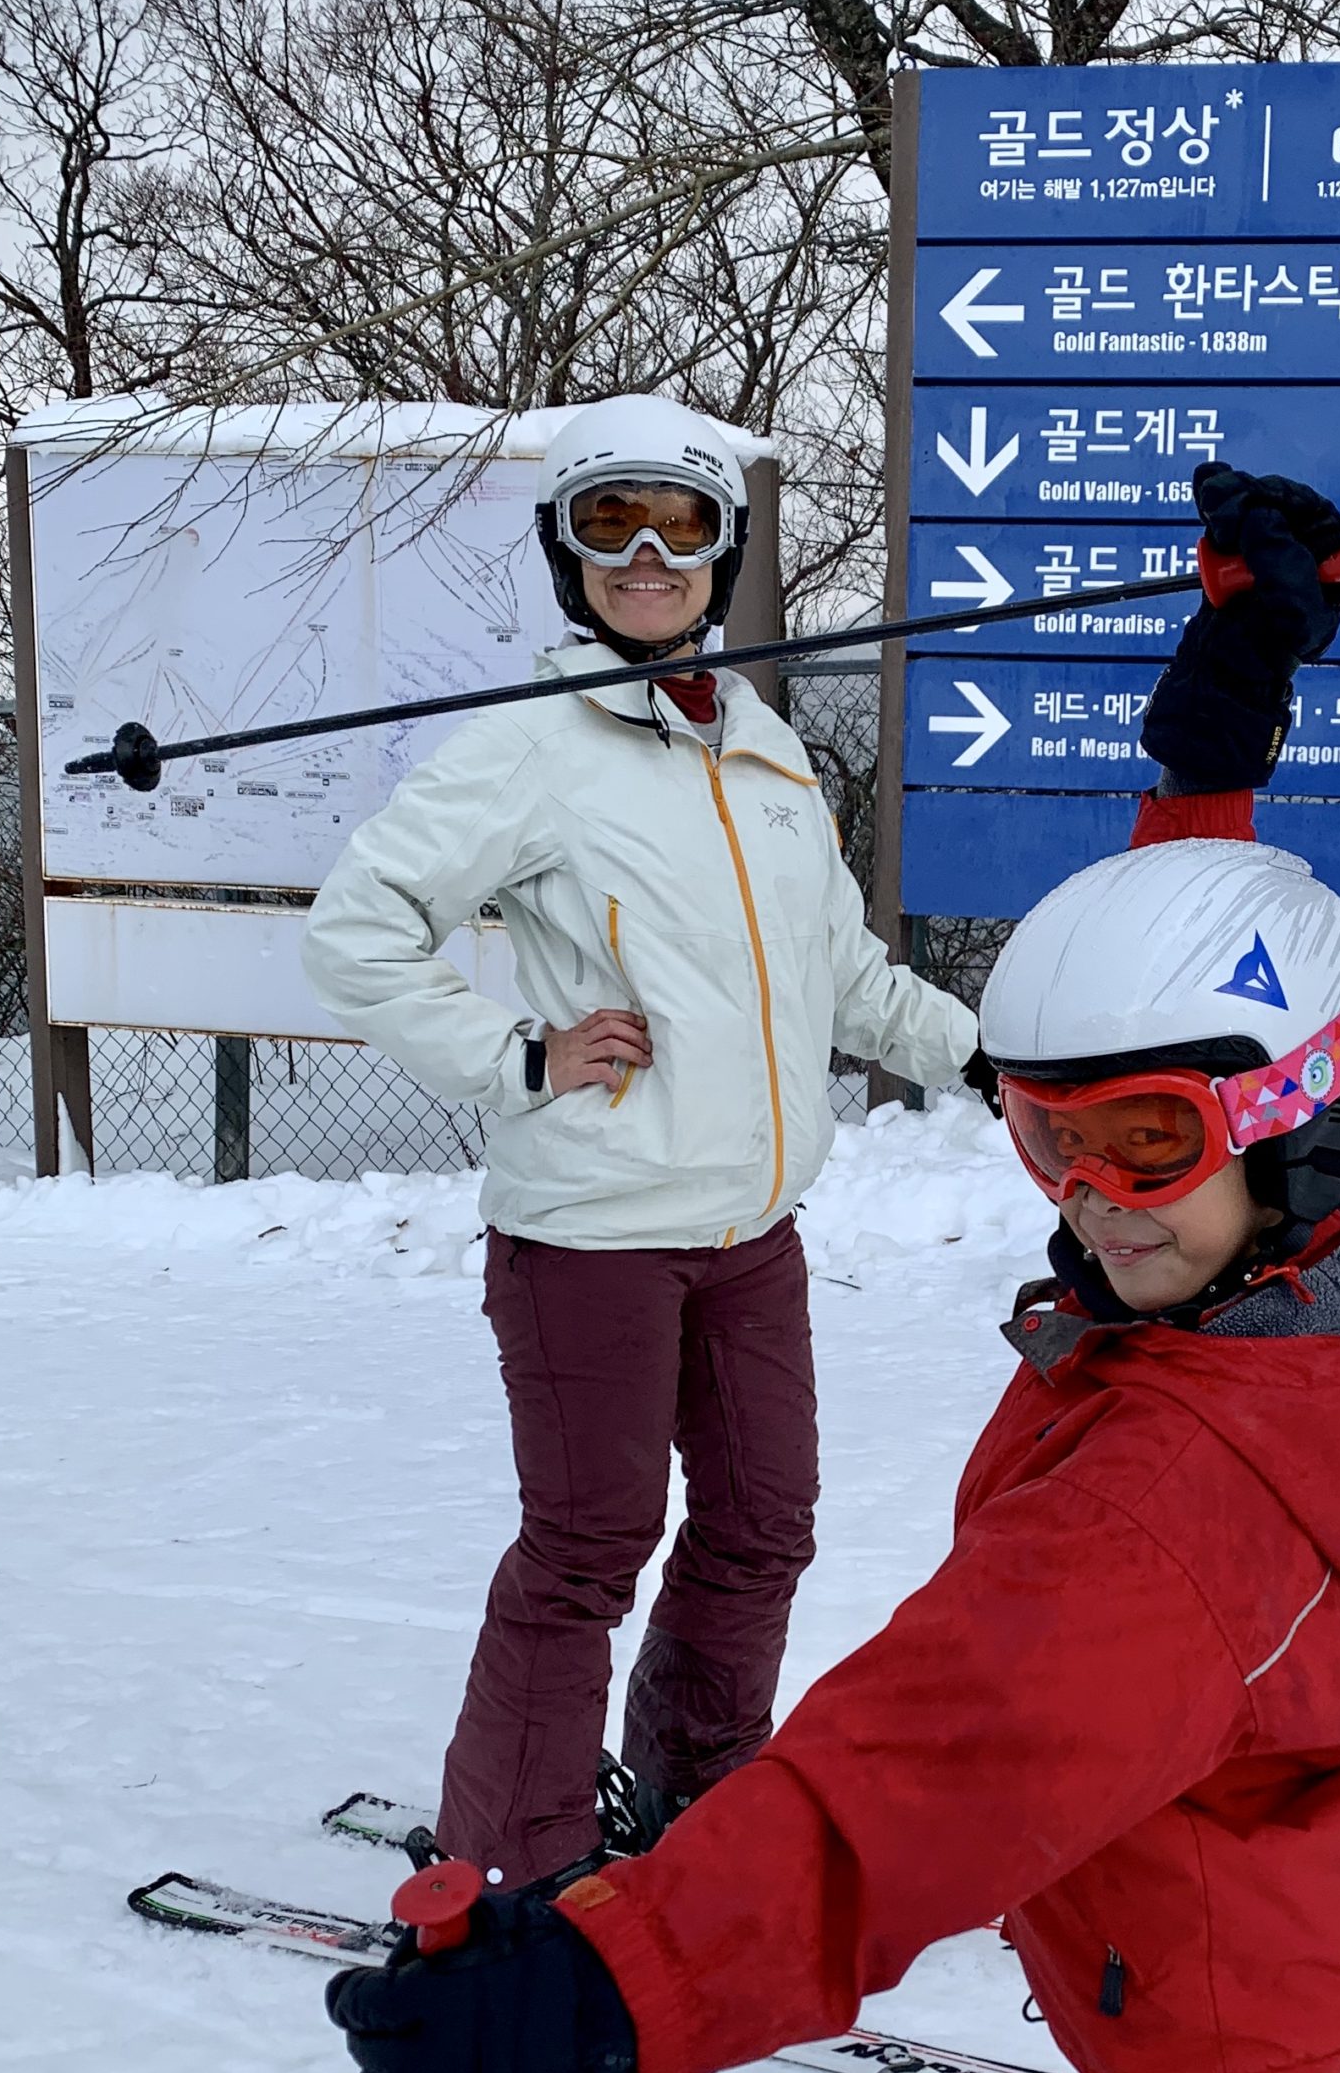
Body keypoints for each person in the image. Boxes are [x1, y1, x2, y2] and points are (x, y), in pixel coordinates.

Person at [322, 469, 1340, 2073]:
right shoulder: (1306, 1292)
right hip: (1231, 1879)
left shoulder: (1169, 1501)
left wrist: (587, 1982)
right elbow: (1195, 971)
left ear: (1298, 1128)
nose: (1085, 1198)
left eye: (1141, 1145)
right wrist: (1226, 698)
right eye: (1049, 1140)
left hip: (1203, 1981)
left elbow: (901, 1783)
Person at [302, 394, 980, 1885]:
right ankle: (523, 1864)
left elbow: (840, 973)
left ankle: (700, 1802)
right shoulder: (531, 750)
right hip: (592, 1234)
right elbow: (357, 932)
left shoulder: (767, 749)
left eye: (682, 527)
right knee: (585, 1556)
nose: (651, 556)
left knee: (761, 1531)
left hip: (752, 1233)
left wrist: (978, 1054)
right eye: (613, 526)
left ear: (725, 553)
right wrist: (513, 1054)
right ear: (569, 554)